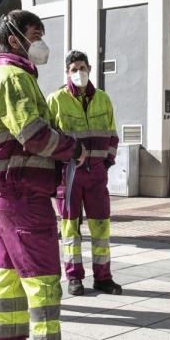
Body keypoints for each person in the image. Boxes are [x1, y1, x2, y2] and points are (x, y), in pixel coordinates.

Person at [0, 10, 102, 340]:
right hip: (20, 191)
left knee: (10, 277)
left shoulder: (9, 76)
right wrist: (73, 149)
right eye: (36, 33)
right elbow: (34, 136)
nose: (41, 41)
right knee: (44, 278)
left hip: (6, 190)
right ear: (14, 39)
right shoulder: (13, 78)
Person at [48, 50, 122, 297]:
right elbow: (49, 139)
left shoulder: (104, 99)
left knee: (101, 228)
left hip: (97, 175)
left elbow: (112, 135)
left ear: (89, 68)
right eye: (73, 69)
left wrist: (106, 163)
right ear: (67, 73)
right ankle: (74, 277)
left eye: (82, 67)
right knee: (70, 229)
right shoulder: (56, 100)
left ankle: (103, 277)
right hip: (68, 176)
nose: (79, 72)